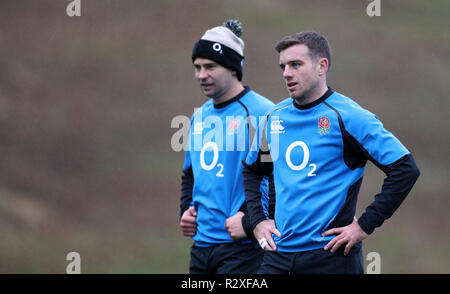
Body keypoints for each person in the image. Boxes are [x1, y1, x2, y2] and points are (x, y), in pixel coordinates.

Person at [243, 31, 420, 274]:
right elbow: (253, 170)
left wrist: (364, 226)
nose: (286, 73)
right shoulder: (273, 118)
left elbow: (405, 169)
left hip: (331, 258)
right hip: (278, 257)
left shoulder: (349, 117)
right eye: (283, 66)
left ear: (321, 66)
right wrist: (258, 221)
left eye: (296, 64)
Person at [179, 19, 275, 274]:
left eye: (210, 66)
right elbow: (190, 173)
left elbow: (280, 179)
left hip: (244, 251)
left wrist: (249, 221)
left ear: (233, 68)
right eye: (197, 67)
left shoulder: (263, 113)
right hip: (201, 249)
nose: (201, 75)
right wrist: (185, 212)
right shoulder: (198, 117)